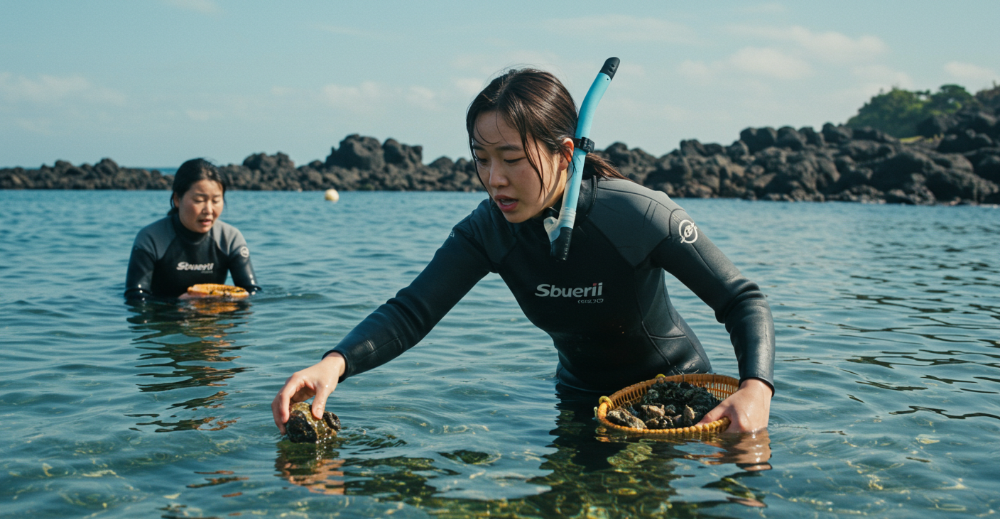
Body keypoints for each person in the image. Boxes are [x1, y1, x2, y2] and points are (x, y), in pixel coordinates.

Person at [272, 68, 774, 433]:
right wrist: (334, 363)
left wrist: (755, 388)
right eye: (481, 159)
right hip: (580, 402)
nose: (494, 179)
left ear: (565, 154)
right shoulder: (487, 231)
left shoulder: (637, 215)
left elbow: (741, 299)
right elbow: (411, 311)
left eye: (511, 158)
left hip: (678, 397)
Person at [125, 158, 261, 300]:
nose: (209, 210)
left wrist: (227, 302)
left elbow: (252, 293)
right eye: (199, 200)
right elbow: (135, 297)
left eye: (216, 201)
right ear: (177, 199)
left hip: (215, 319)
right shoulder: (151, 238)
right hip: (164, 319)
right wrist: (179, 302)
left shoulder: (230, 238)